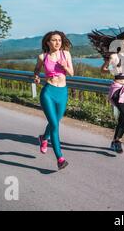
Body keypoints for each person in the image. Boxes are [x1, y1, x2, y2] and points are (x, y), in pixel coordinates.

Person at [87, 30, 124, 153]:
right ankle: (117, 141)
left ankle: (115, 141)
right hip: (117, 90)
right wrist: (113, 70)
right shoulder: (114, 56)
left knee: (123, 118)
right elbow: (103, 69)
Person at [33, 31, 74, 170]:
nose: (58, 42)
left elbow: (72, 73)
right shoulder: (42, 56)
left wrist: (65, 66)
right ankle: (60, 159)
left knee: (55, 121)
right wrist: (37, 77)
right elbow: (37, 70)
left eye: (59, 40)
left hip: (62, 92)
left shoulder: (65, 54)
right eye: (54, 40)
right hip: (48, 92)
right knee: (55, 125)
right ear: (48, 42)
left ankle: (44, 138)